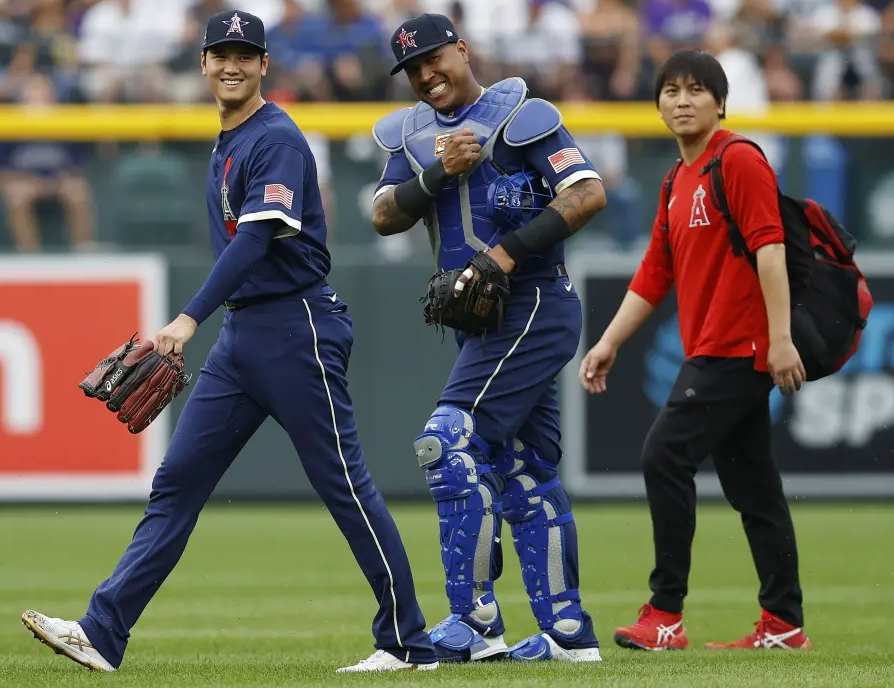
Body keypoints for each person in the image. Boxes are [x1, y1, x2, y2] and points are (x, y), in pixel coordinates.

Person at [21, 10, 439, 675]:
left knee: (344, 486)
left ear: (265, 64)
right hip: (245, 335)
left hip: (296, 325)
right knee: (177, 482)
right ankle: (103, 631)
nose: (231, 64)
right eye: (221, 54)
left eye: (245, 54)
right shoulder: (229, 137)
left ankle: (408, 643)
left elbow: (256, 237)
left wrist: (188, 317)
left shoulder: (274, 137)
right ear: (204, 64)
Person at [372, 13, 607, 663]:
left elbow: (586, 193)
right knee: (523, 471)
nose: (425, 75)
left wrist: (504, 254)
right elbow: (384, 214)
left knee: (447, 444)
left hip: (533, 301)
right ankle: (567, 635)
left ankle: (472, 623)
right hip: (476, 322)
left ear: (462, 50)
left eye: (433, 60)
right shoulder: (413, 136)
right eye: (412, 70)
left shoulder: (519, 115)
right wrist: (437, 175)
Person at [579, 50, 812, 651]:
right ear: (657, 105)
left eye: (697, 90)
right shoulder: (675, 180)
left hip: (741, 348)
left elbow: (770, 250)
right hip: (712, 346)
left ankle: (666, 614)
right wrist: (607, 343)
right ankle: (784, 625)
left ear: (721, 102)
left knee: (664, 456)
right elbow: (655, 273)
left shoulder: (738, 159)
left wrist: (781, 340)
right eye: (671, 91)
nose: (682, 100)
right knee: (755, 488)